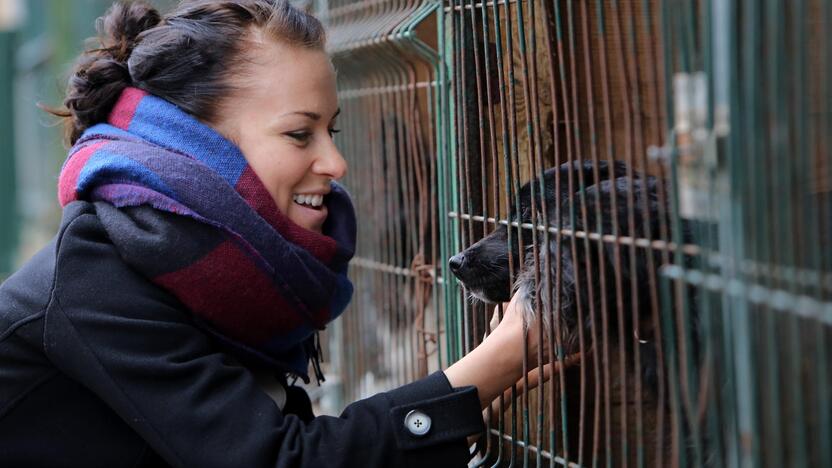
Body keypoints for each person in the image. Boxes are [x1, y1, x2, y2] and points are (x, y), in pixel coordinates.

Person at [0, 1, 545, 466]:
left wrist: (462, 404)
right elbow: (279, 458)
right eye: (298, 133)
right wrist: (502, 357)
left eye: (330, 131)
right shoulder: (98, 279)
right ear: (192, 143)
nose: (335, 162)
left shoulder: (210, 262)